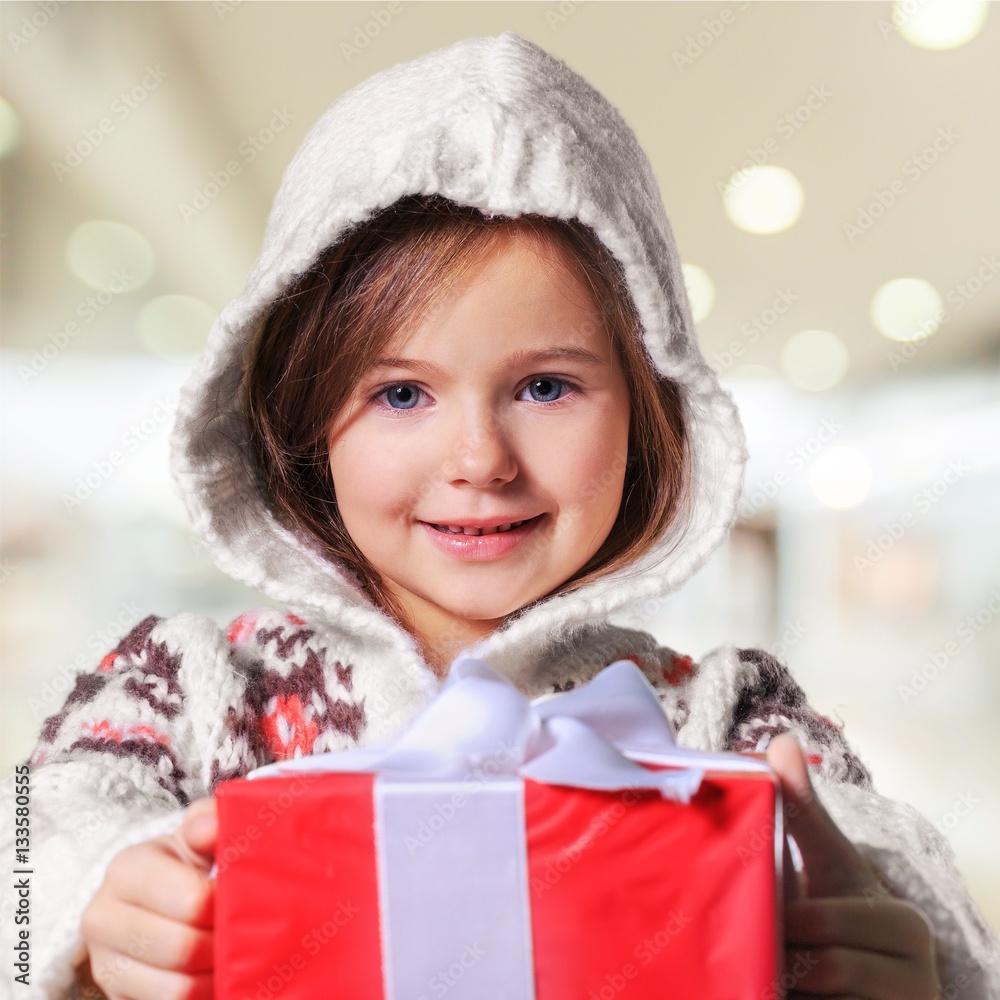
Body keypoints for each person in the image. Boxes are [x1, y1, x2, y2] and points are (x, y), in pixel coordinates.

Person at [0, 30, 996, 1000]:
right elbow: (24, 846)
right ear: (306, 424)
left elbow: (902, 871)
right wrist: (100, 899)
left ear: (653, 415)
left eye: (546, 387)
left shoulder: (730, 720)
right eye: (400, 394)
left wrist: (902, 952)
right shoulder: (186, 687)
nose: (479, 460)